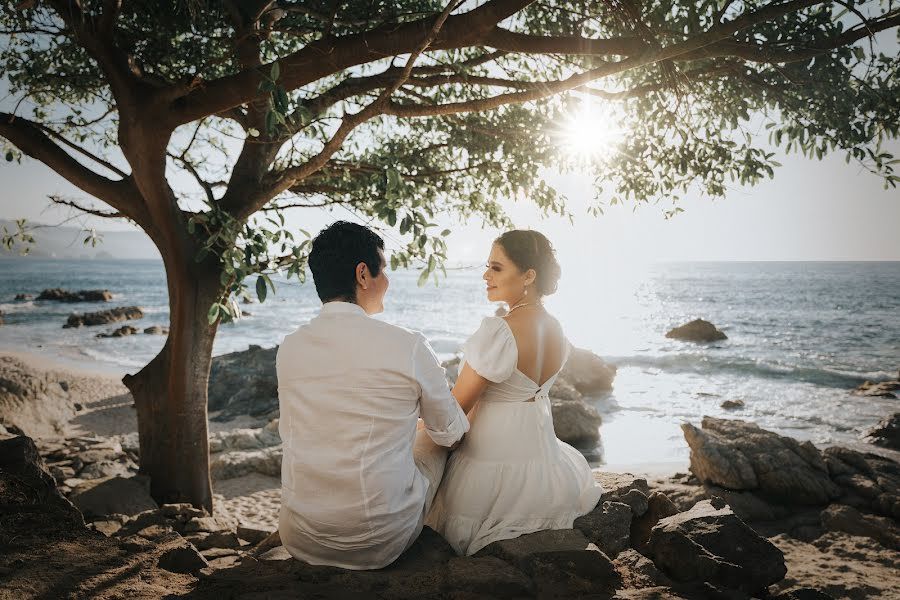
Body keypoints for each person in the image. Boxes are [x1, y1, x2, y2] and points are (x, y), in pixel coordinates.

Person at [276, 221, 469, 570]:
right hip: (377, 540)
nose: (388, 281)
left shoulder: (289, 347)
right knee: (435, 439)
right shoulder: (407, 346)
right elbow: (452, 432)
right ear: (363, 274)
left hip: (300, 535)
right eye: (386, 269)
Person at [426, 230, 603, 556]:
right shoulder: (556, 328)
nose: (486, 275)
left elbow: (455, 410)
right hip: (542, 467)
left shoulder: (497, 330)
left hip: (489, 467)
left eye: (496, 268)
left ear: (528, 275)